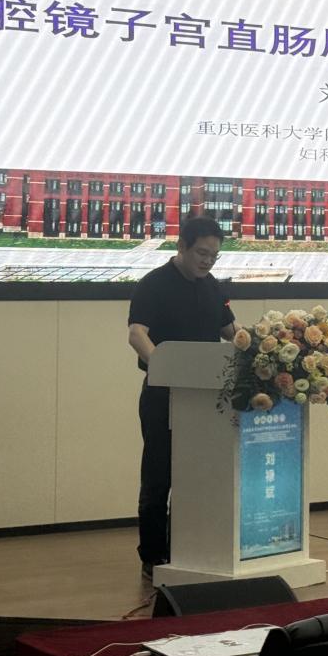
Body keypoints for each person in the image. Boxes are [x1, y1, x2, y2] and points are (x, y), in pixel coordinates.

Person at [127, 217, 236, 578]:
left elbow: (230, 330)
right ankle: (153, 555)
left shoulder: (212, 286)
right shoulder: (154, 284)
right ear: (182, 247)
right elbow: (136, 334)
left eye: (214, 256)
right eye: (202, 253)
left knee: (198, 475)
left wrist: (259, 346)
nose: (207, 261)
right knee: (159, 476)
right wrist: (166, 367)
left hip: (204, 398)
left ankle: (189, 547)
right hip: (163, 396)